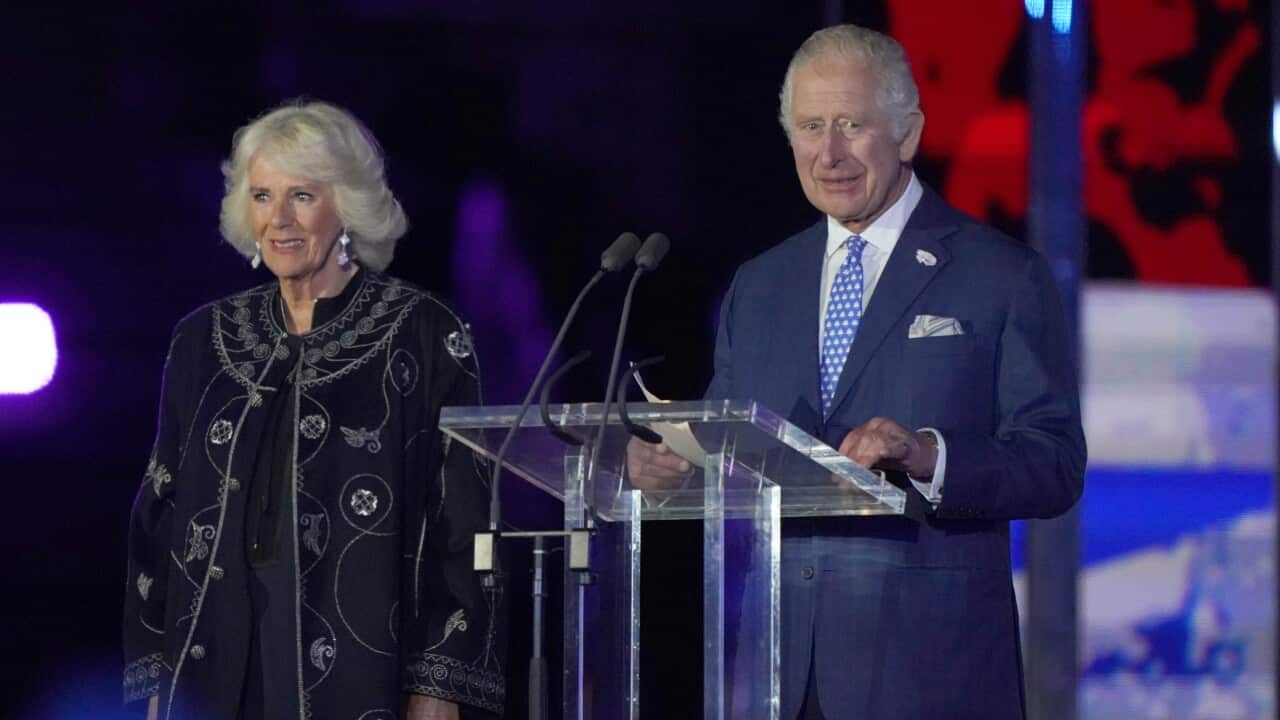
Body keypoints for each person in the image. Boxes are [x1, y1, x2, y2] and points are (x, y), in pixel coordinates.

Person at [629, 24, 1086, 720]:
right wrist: (673, 469)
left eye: (851, 124)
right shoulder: (760, 285)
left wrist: (928, 454)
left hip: (931, 675)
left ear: (907, 134)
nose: (830, 152)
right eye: (811, 126)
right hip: (778, 675)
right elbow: (729, 446)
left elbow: (1055, 463)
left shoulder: (1001, 276)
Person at [122, 101, 506, 720]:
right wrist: (151, 680)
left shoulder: (424, 333)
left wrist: (443, 683)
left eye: (301, 196)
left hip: (364, 659)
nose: (278, 219)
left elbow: (463, 520)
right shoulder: (201, 341)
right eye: (263, 195)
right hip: (217, 652)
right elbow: (157, 515)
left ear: (347, 204)